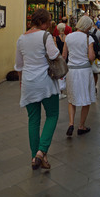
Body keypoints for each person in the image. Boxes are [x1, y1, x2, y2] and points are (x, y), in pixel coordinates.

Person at [14, 9, 60, 170]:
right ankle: (41, 151)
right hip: (45, 82)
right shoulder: (45, 36)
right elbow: (54, 55)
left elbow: (19, 65)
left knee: (33, 120)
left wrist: (21, 82)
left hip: (28, 82)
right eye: (47, 22)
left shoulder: (21, 39)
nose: (48, 25)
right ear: (41, 22)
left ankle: (35, 158)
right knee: (52, 115)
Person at [62, 15, 96, 137]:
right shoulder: (89, 39)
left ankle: (71, 123)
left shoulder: (68, 37)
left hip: (71, 71)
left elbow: (64, 55)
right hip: (84, 71)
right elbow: (91, 57)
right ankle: (81, 126)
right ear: (87, 26)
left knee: (72, 98)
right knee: (86, 99)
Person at [89, 23, 100, 90]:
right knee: (95, 72)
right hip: (95, 54)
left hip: (85, 55)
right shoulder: (98, 32)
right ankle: (94, 87)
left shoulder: (83, 31)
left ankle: (88, 86)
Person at [55, 22, 67, 99]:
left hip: (58, 58)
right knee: (64, 74)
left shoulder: (55, 38)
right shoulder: (67, 37)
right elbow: (66, 49)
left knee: (59, 74)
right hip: (66, 57)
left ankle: (58, 91)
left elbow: (56, 49)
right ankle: (62, 91)